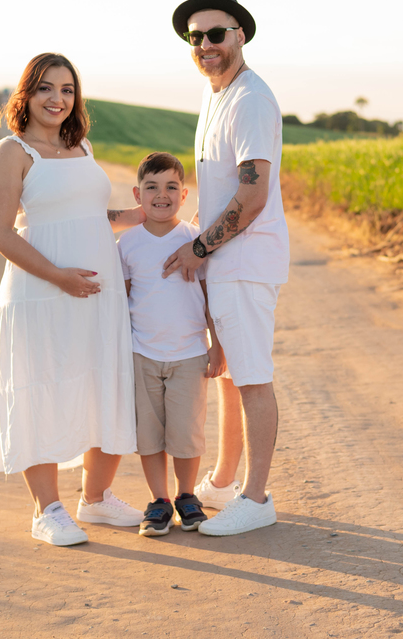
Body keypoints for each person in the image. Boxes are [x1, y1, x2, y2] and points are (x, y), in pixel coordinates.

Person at [0, 52, 145, 547]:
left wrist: (147, 214)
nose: (58, 99)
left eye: (68, 89)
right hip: (40, 294)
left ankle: (94, 499)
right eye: (46, 88)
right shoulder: (12, 152)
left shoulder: (83, 147)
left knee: (102, 384)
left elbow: (93, 214)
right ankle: (46, 510)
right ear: (26, 95)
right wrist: (58, 276)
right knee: (43, 388)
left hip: (98, 294)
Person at [163, 0, 290, 536]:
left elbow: (253, 194)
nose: (206, 44)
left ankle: (256, 498)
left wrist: (196, 249)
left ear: (240, 35)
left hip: (243, 261)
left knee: (252, 377)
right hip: (225, 260)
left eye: (216, 33)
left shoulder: (250, 100)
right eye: (196, 37)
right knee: (230, 373)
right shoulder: (217, 95)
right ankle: (222, 480)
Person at [117, 152, 226, 536]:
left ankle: (186, 496)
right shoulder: (127, 244)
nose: (161, 194)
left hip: (189, 353)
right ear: (138, 194)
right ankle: (159, 500)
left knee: (186, 431)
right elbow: (122, 303)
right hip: (142, 353)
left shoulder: (195, 243)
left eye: (171, 187)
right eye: (151, 187)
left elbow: (210, 295)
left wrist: (218, 345)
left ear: (184, 195)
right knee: (148, 433)